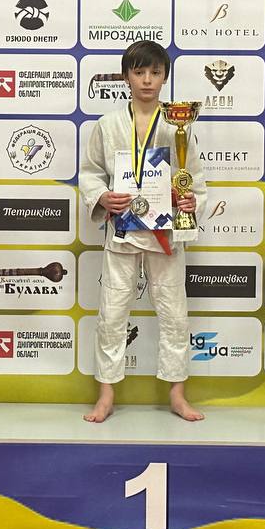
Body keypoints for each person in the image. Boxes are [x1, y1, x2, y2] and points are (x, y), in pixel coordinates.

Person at [78, 40, 206, 423]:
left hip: (165, 234)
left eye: (155, 72)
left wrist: (190, 201)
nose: (147, 80)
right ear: (126, 77)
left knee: (175, 314)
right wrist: (103, 197)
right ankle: (106, 394)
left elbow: (194, 178)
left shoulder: (179, 125)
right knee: (112, 313)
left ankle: (177, 393)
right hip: (124, 230)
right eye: (139, 72)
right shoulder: (108, 125)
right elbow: (90, 173)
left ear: (165, 77)